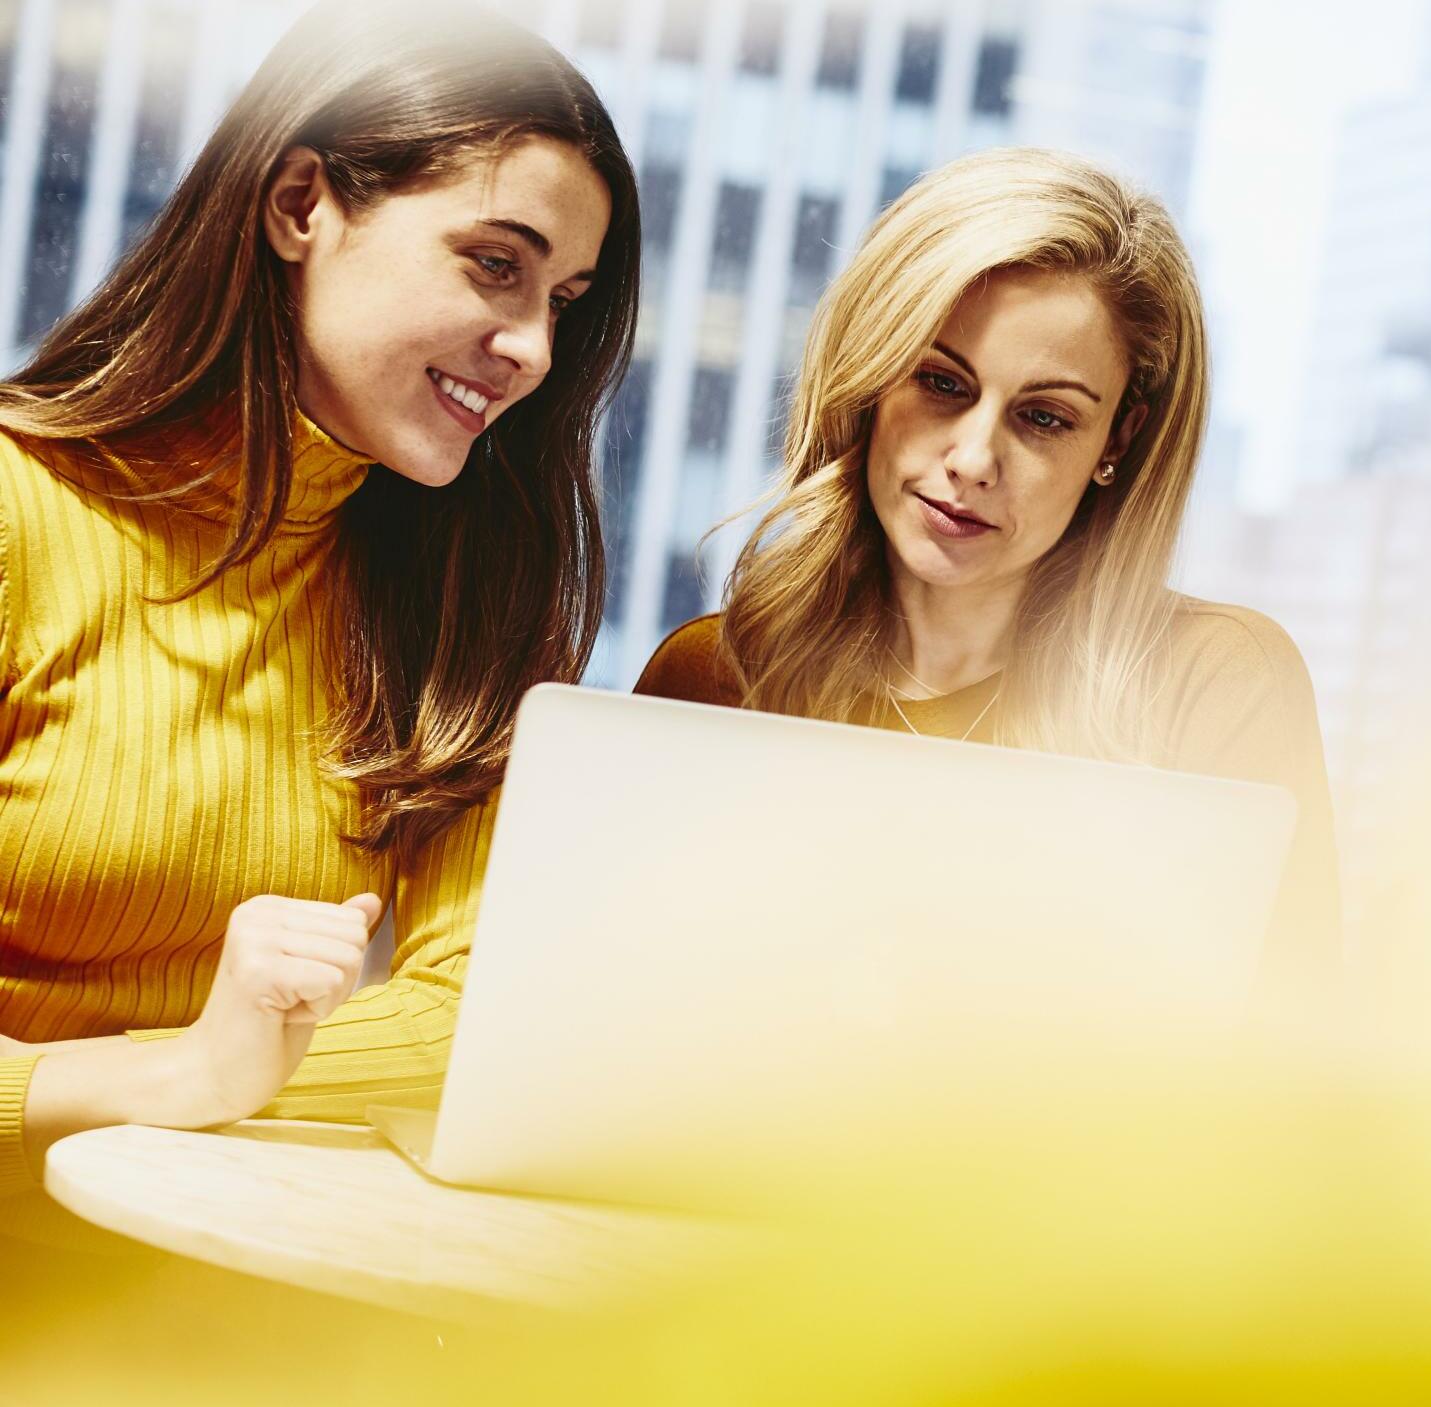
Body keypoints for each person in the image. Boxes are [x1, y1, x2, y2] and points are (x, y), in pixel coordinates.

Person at [0, 1, 640, 1194]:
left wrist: (226, 1070)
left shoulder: (470, 600)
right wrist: (173, 1077)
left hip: (252, 1291)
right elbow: (241, 1069)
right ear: (302, 205)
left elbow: (466, 1031)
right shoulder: (16, 514)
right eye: (495, 264)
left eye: (563, 298)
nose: (536, 349)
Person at [634, 148, 1337, 980]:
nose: (973, 459)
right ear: (870, 381)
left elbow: (1292, 1052)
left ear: (1117, 438)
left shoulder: (1213, 684)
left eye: (1043, 418)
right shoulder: (718, 677)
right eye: (940, 382)